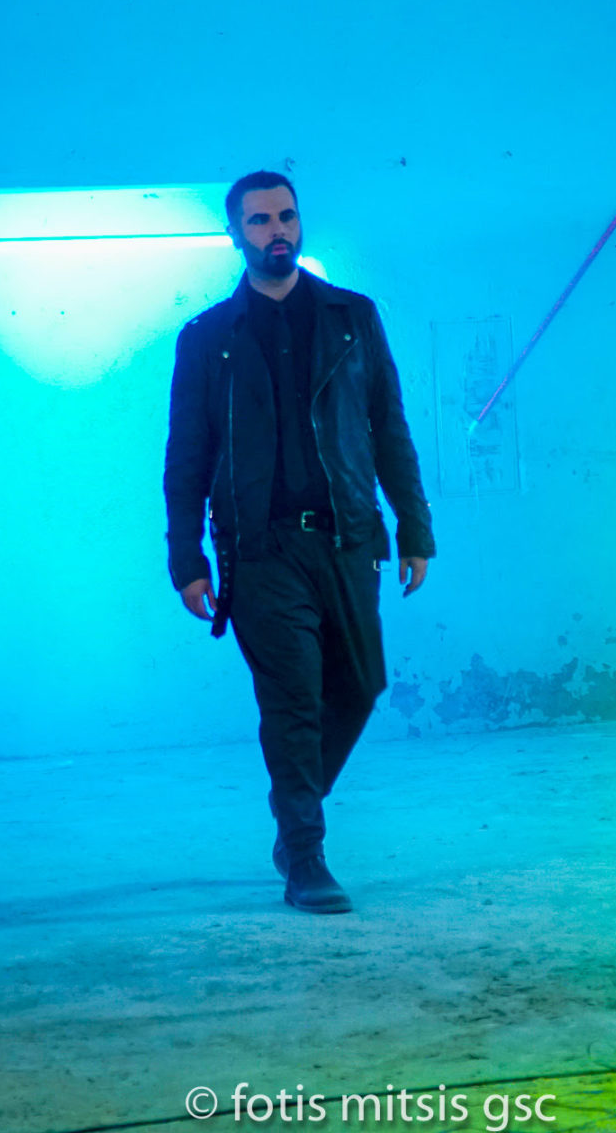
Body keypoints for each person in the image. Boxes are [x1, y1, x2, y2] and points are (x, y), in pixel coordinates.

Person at [163, 170, 435, 915]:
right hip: (260, 550)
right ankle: (306, 857)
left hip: (347, 539)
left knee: (361, 686)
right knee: (292, 701)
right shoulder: (208, 338)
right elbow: (186, 456)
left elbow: (389, 428)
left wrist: (414, 527)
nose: (275, 229)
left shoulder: (353, 318)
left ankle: (293, 816)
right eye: (259, 220)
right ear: (235, 234)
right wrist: (186, 558)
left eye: (285, 216)